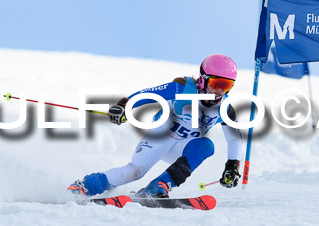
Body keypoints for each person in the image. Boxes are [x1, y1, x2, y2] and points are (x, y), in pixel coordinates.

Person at [68, 54, 243, 198]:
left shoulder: (225, 108)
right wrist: (124, 107)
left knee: (206, 146)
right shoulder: (182, 89)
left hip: (182, 147)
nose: (221, 91)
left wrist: (232, 167)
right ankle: (84, 186)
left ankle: (158, 186)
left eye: (227, 85)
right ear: (203, 79)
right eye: (217, 84)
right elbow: (148, 95)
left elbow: (234, 138)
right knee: (135, 172)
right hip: (160, 138)